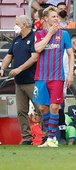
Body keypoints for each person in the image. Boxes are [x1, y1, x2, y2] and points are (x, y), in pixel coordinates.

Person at [33, 6, 74, 148]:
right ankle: (50, 136)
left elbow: (71, 54)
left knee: (54, 107)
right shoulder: (39, 34)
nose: (56, 19)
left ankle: (52, 138)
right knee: (43, 108)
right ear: (45, 19)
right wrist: (49, 34)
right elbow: (38, 49)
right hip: (41, 77)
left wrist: (70, 74)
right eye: (53, 16)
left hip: (57, 76)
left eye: (57, 16)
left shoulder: (64, 35)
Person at [0, 15, 38, 145]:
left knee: (40, 108)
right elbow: (9, 56)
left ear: (25, 24)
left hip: (32, 80)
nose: (15, 26)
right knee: (21, 111)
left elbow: (34, 58)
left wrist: (19, 69)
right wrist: (2, 67)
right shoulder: (16, 39)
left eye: (17, 23)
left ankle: (45, 135)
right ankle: (26, 137)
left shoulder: (34, 37)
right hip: (19, 82)